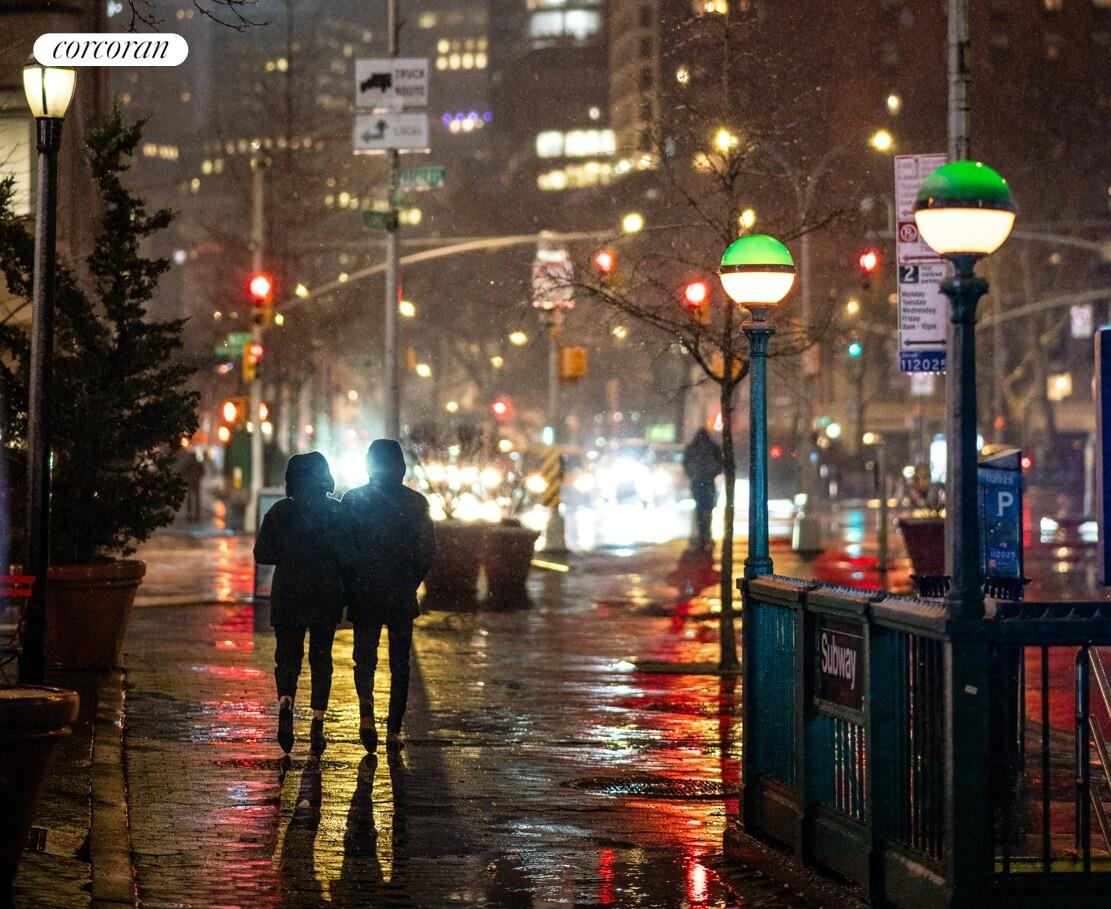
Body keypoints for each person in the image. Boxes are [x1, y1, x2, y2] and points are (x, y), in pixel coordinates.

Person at [341, 439, 435, 753]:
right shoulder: (416, 503)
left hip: (365, 592)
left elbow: (344, 548)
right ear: (400, 466)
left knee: (364, 658)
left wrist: (352, 582)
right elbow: (427, 551)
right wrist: (409, 580)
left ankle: (366, 707)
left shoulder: (354, 500)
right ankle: (394, 729)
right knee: (400, 663)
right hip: (399, 593)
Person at [254, 452, 346, 756]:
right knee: (322, 660)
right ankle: (317, 724)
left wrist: (289, 553)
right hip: (325, 595)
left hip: (288, 595)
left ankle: (285, 704)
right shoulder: (337, 512)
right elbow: (350, 554)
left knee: (288, 657)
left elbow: (262, 554)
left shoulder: (280, 512)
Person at [683, 429, 723, 552]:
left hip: (698, 483)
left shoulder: (692, 448)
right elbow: (720, 464)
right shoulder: (712, 448)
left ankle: (702, 536)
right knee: (708, 510)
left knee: (700, 510)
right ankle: (706, 535)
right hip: (707, 483)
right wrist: (712, 473)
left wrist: (693, 475)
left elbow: (686, 463)